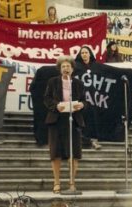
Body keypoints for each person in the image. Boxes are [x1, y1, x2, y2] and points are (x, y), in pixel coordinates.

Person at [44, 55, 87, 193]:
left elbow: (85, 100)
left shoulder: (79, 84)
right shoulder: (53, 82)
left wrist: (81, 105)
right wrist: (56, 106)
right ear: (59, 69)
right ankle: (56, 182)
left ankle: (72, 183)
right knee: (55, 152)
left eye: (68, 66)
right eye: (63, 66)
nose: (65, 69)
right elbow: (46, 98)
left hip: (73, 119)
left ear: (72, 69)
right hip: (57, 119)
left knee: (73, 152)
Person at [74, 46, 102, 150]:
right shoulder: (76, 66)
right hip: (80, 97)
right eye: (82, 53)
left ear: (90, 54)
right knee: (81, 118)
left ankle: (94, 140)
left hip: (94, 97)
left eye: (86, 52)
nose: (84, 54)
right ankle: (82, 141)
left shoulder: (96, 66)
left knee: (93, 118)